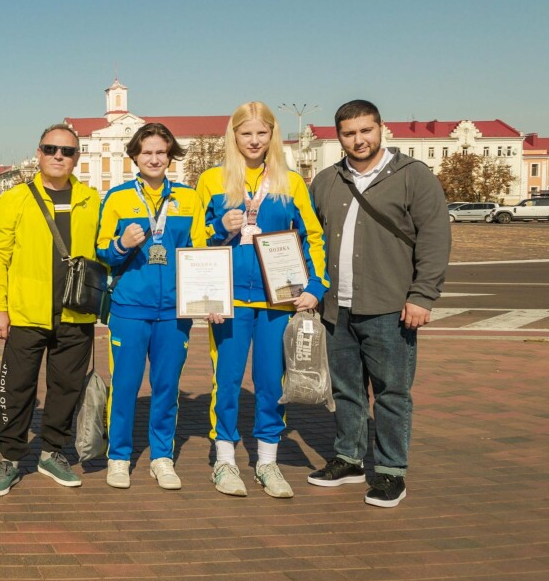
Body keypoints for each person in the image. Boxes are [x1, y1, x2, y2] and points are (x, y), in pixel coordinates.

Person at [308, 100, 450, 508]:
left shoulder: (412, 176)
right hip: (337, 307)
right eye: (349, 133)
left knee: (392, 392)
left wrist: (422, 296)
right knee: (346, 389)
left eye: (365, 130)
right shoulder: (327, 179)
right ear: (339, 137)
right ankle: (350, 458)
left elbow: (435, 238)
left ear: (380, 128)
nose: (359, 140)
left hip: (390, 306)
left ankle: (391, 472)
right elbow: (309, 239)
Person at [196, 101, 328, 499]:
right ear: (233, 136)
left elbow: (313, 237)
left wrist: (315, 286)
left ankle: (267, 462)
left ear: (272, 135)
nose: (254, 141)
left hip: (278, 301)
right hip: (229, 301)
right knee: (228, 382)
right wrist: (221, 227)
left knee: (272, 382)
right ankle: (224, 460)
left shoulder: (291, 182)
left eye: (261, 133)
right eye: (246, 133)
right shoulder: (213, 180)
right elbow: (196, 243)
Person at [0, 123, 101, 497]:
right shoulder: (16, 198)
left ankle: (52, 453)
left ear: (76, 158)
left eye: (66, 151)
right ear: (38, 153)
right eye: (51, 149)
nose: (58, 156)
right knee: (16, 389)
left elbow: (106, 251)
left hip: (75, 312)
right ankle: (10, 457)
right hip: (26, 313)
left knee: (66, 389)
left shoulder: (91, 200)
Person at [95, 123, 201, 491]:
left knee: (166, 387)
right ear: (135, 157)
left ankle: (161, 457)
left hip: (174, 310)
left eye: (161, 152)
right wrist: (121, 244)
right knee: (124, 386)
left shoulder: (188, 198)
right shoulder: (117, 197)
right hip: (129, 307)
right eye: (147, 152)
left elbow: (200, 251)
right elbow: (102, 252)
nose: (154, 158)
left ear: (170, 155)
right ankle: (119, 457)